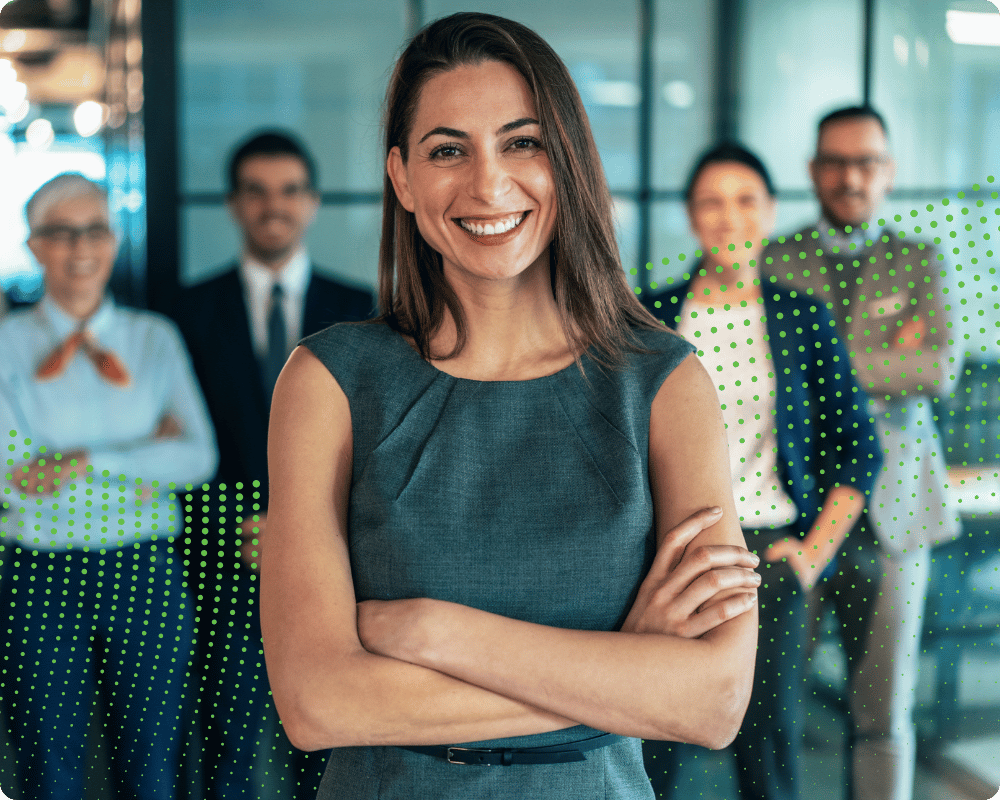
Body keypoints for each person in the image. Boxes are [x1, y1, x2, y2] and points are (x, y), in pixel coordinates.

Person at [260, 13, 762, 800]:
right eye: (447, 151)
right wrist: (622, 668)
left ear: (567, 160)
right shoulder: (326, 382)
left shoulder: (665, 384)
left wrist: (429, 631)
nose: (488, 185)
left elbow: (714, 702)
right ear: (402, 178)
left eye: (522, 143)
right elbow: (317, 705)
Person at [639, 143, 882, 800]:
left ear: (771, 211)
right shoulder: (650, 316)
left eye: (746, 200)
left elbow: (859, 447)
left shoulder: (801, 316)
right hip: (669, 557)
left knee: (767, 749)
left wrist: (811, 556)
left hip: (765, 558)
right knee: (654, 747)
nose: (730, 217)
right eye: (711, 202)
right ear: (691, 215)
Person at [761, 106, 961, 800]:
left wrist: (822, 363)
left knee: (882, 718)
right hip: (801, 513)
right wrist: (883, 358)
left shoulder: (921, 259)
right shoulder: (776, 259)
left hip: (896, 517)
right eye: (837, 162)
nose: (852, 177)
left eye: (867, 162)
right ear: (814, 170)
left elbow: (937, 367)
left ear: (889, 171)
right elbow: (769, 373)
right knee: (773, 709)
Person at [0, 173, 217, 800]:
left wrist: (81, 462)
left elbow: (197, 458)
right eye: (61, 233)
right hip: (39, 574)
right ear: (34, 246)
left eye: (94, 230)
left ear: (115, 241)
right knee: (48, 769)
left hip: (145, 569)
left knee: (153, 769)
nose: (80, 248)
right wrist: (146, 454)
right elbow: (13, 480)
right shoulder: (6, 345)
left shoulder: (155, 338)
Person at [171, 130, 374, 798]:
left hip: (332, 569)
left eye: (289, 190)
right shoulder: (185, 313)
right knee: (227, 750)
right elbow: (181, 446)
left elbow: (375, 445)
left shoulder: (363, 312)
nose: (273, 206)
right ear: (233, 204)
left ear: (312, 202)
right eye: (256, 192)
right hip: (222, 566)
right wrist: (240, 527)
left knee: (326, 753)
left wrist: (299, 530)